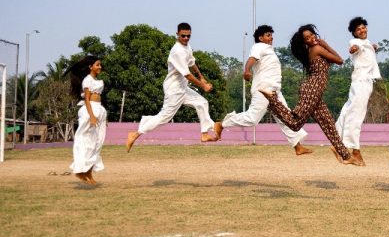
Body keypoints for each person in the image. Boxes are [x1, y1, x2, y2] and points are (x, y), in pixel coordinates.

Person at [259, 24, 361, 166]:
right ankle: (272, 99)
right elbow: (339, 60)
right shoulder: (317, 48)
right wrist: (325, 44)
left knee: (329, 124)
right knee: (295, 124)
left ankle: (346, 156)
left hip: (315, 92)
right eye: (307, 38)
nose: (311, 38)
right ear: (304, 42)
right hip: (312, 90)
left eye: (312, 35)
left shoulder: (311, 50)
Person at [214, 25, 312, 155]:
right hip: (264, 89)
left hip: (275, 90)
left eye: (271, 35)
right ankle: (221, 124)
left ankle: (297, 146)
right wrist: (247, 70)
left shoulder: (270, 50)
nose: (271, 38)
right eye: (268, 35)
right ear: (260, 38)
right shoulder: (259, 46)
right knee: (252, 119)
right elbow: (252, 58)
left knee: (286, 117)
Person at [126, 23, 220, 152]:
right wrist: (203, 85)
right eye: (183, 36)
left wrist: (201, 76)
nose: (186, 38)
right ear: (177, 34)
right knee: (164, 117)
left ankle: (204, 134)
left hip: (183, 88)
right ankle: (135, 134)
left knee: (202, 103)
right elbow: (187, 75)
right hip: (174, 90)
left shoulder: (187, 47)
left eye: (188, 36)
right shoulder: (177, 51)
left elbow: (192, 63)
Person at [335, 17, 381, 165]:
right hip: (361, 82)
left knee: (347, 110)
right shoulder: (356, 42)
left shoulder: (367, 43)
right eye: (358, 29)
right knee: (356, 115)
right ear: (354, 33)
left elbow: (366, 49)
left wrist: (373, 47)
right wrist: (354, 49)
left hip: (362, 82)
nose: (362, 30)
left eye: (363, 27)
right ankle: (354, 150)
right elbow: (354, 48)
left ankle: (336, 141)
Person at [66, 55, 107, 185]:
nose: (100, 67)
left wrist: (103, 117)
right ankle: (80, 171)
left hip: (99, 109)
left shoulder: (97, 81)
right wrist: (92, 116)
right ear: (90, 67)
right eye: (97, 65)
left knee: (97, 143)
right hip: (90, 111)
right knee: (86, 142)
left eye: (100, 65)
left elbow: (98, 99)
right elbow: (87, 100)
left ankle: (88, 173)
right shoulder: (87, 80)